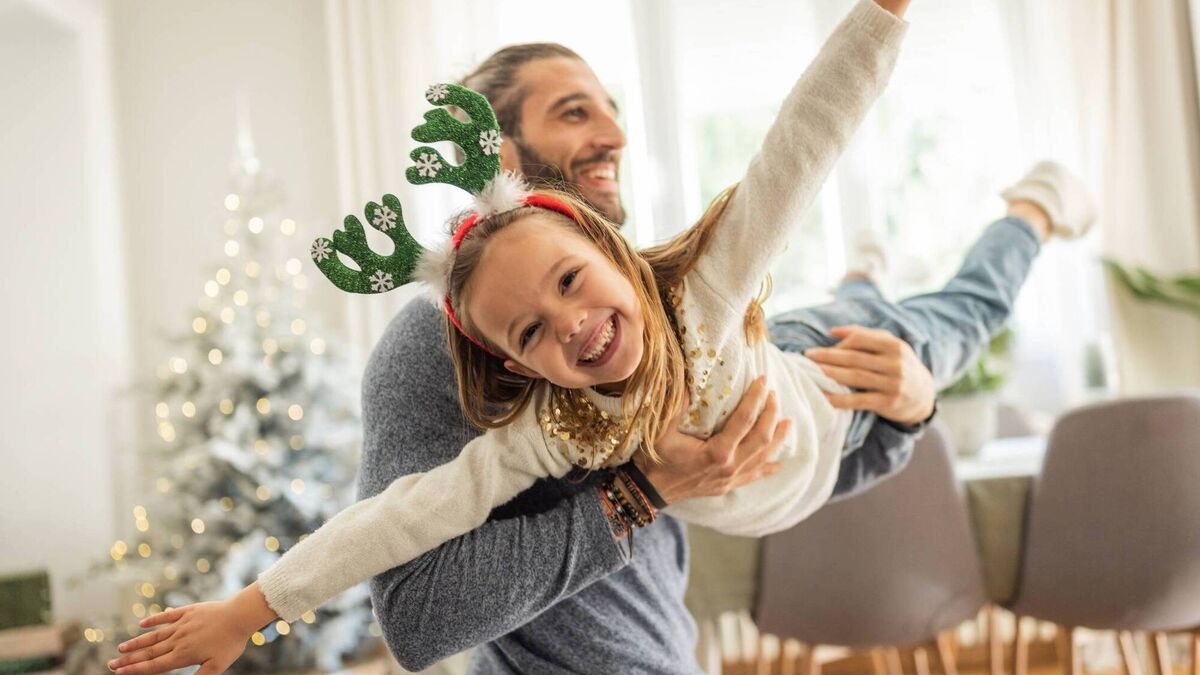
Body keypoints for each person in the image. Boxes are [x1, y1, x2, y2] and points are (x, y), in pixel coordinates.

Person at [107, 3, 955, 674]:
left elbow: (803, 147)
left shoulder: (671, 301)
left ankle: (876, 279)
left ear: (601, 256)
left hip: (687, 631)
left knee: (897, 320)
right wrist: (250, 608)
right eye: (573, 113)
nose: (615, 136)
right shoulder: (492, 382)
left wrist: (914, 411)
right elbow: (406, 578)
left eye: (571, 281)